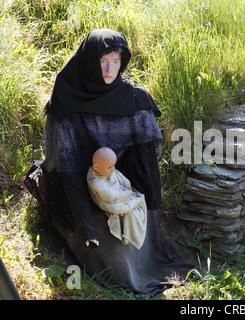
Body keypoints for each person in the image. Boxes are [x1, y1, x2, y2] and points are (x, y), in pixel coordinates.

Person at [25, 28, 195, 295]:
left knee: (130, 216)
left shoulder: (133, 97)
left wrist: (148, 197)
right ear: (90, 62)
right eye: (103, 61)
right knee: (106, 234)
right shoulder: (66, 99)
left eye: (116, 61)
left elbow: (145, 153)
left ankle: (143, 258)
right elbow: (67, 168)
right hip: (76, 184)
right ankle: (107, 262)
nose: (109, 70)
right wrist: (86, 226)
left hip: (116, 177)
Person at [87, 147, 147, 250]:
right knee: (123, 209)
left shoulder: (106, 170)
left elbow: (121, 178)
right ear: (96, 167)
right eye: (110, 167)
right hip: (108, 203)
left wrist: (126, 187)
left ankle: (134, 205)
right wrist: (126, 194)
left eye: (114, 165)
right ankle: (127, 234)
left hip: (120, 194)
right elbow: (110, 196)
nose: (113, 169)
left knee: (138, 198)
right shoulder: (95, 181)